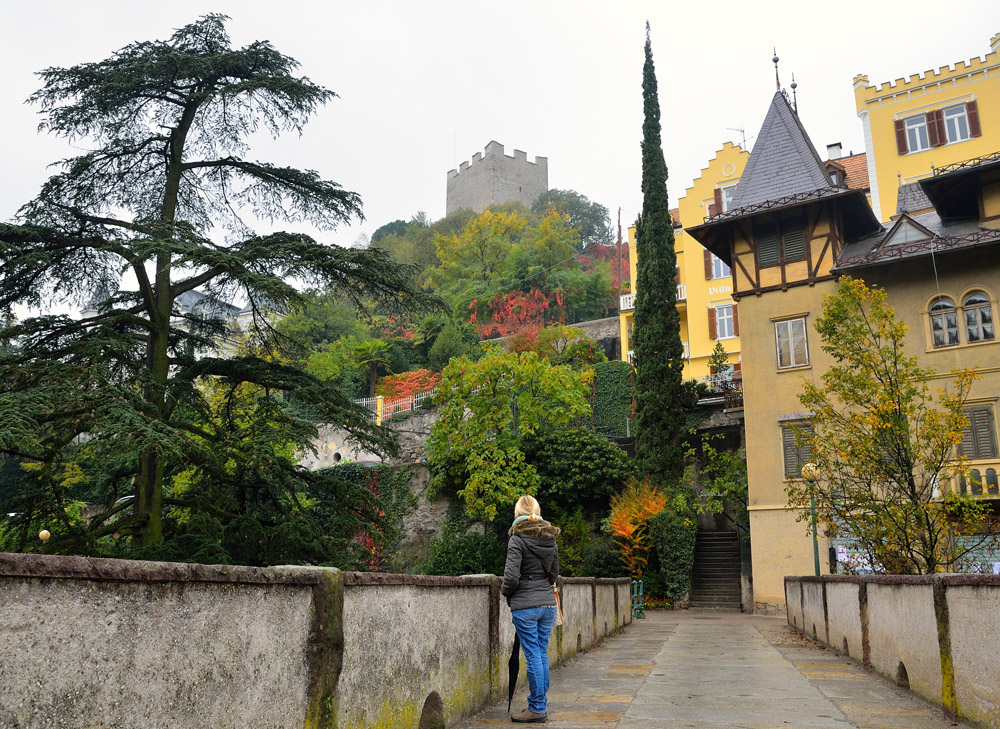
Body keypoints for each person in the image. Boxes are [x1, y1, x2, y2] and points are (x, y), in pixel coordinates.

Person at [500, 494, 560, 724]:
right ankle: (539, 704)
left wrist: (507, 593)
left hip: (525, 605)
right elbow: (553, 574)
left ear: (517, 513)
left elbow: (511, 577)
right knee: (541, 652)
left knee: (533, 655)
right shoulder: (550, 538)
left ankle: (536, 708)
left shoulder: (517, 538)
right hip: (547, 604)